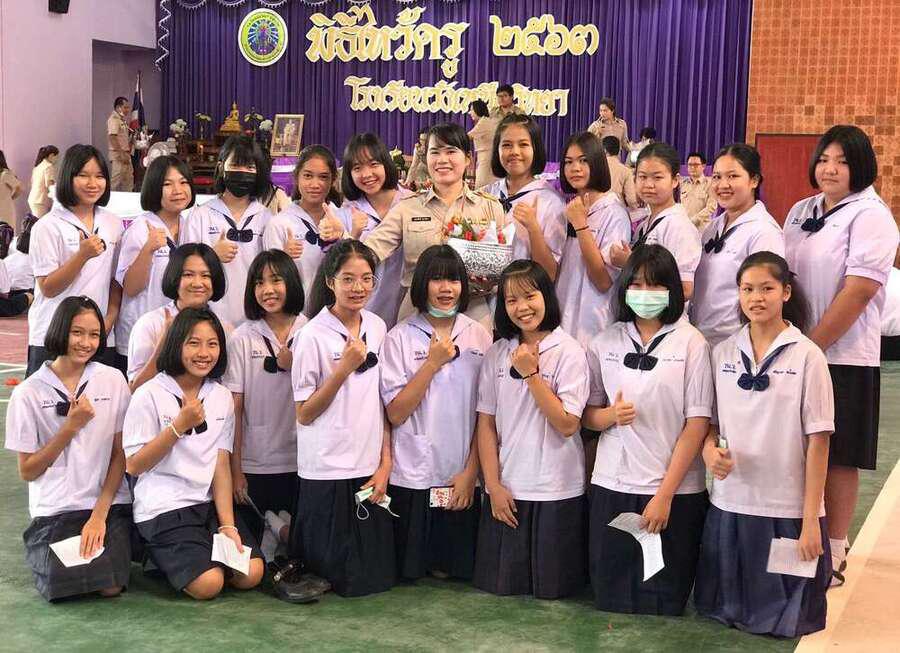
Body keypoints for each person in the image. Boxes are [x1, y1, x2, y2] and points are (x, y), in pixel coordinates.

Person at [783, 125, 899, 585]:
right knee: (795, 449)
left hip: (843, 357)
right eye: (824, 159)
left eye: (843, 161)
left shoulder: (872, 215)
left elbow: (859, 292)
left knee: (837, 453)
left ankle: (833, 552)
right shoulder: (801, 209)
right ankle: (798, 539)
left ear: (861, 167)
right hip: (794, 350)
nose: (830, 169)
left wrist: (811, 346)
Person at [695, 252, 833, 637]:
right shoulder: (722, 352)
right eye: (747, 289)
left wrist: (810, 521)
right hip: (732, 503)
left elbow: (819, 442)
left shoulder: (808, 356)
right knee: (725, 615)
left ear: (786, 292)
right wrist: (709, 452)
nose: (756, 298)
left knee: (787, 620)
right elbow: (711, 425)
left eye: (767, 289)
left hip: (786, 507)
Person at [583, 244, 712, 615]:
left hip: (673, 491)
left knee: (662, 602)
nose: (645, 293)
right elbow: (587, 415)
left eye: (655, 285)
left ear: (672, 290)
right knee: (611, 598)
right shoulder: (605, 342)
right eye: (637, 284)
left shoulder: (692, 343)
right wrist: (609, 416)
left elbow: (697, 424)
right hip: (613, 483)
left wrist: (664, 496)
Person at [124, 307, 264, 599]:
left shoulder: (220, 396)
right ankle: (159, 556)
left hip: (206, 504)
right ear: (177, 344)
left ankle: (199, 556)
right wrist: (177, 427)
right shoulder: (149, 393)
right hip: (163, 508)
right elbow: (134, 465)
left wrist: (228, 525)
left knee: (251, 573)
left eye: (212, 344)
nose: (204, 353)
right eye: (194, 343)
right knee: (209, 584)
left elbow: (221, 463)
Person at [474, 260, 589, 599]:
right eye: (511, 300)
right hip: (508, 490)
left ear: (546, 297)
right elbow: (486, 424)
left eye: (530, 296)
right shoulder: (497, 353)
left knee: (551, 596)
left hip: (556, 489)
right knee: (503, 594)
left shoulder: (569, 351)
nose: (522, 307)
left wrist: (531, 375)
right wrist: (493, 486)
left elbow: (568, 424)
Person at [5, 296, 132, 601]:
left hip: (105, 504)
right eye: (77, 332)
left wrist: (99, 516)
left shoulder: (113, 380)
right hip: (56, 508)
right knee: (61, 583)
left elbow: (120, 454)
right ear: (61, 330)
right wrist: (70, 427)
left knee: (110, 585)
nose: (85, 343)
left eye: (94, 335)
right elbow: (28, 470)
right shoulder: (28, 393)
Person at [291, 240, 396, 597]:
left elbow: (382, 400)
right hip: (326, 467)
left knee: (371, 581)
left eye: (366, 279)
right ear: (330, 282)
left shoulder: (377, 327)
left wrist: (385, 462)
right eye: (348, 279)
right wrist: (342, 370)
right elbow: (304, 413)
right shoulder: (311, 336)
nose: (358, 287)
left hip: (366, 464)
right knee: (328, 580)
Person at [381, 245, 490, 581]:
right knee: (412, 571)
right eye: (437, 280)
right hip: (413, 475)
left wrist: (471, 472)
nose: (446, 289)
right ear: (422, 284)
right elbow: (395, 413)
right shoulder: (399, 337)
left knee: (453, 571)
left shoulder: (478, 335)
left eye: (453, 280)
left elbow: (486, 415)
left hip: (461, 475)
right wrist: (431, 364)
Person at [350, 123, 506, 328]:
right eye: (435, 152)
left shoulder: (489, 207)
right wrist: (348, 243)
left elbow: (503, 267)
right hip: (418, 311)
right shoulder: (408, 208)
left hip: (472, 311)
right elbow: (370, 251)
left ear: (468, 158)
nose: (442, 160)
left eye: (451, 151)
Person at [223, 250, 306, 544]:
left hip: (303, 459)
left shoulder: (311, 332)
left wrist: (296, 365)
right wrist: (235, 469)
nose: (267, 290)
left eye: (276, 280)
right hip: (256, 461)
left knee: (298, 542)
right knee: (258, 546)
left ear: (292, 282)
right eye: (259, 282)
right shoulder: (242, 338)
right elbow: (234, 408)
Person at [26, 144, 122, 377]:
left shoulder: (113, 223)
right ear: (67, 177)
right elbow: (48, 287)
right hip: (53, 334)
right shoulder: (47, 226)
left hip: (97, 336)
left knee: (99, 398)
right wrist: (82, 256)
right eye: (83, 175)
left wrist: (108, 322)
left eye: (99, 176)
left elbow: (117, 280)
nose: (93, 183)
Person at [691, 144, 784, 347]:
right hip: (702, 338)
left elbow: (767, 296)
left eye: (733, 176)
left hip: (737, 343)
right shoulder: (713, 227)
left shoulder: (763, 231)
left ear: (754, 180)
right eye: (717, 177)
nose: (723, 184)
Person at [182, 135, 273, 326]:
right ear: (221, 167)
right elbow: (183, 268)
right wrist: (211, 256)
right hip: (209, 318)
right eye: (236, 166)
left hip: (255, 318)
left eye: (250, 167)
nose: (242, 173)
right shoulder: (201, 215)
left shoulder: (266, 217)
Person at [115, 155, 195, 373]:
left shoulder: (191, 226)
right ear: (153, 188)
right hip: (142, 337)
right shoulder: (140, 229)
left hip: (177, 335)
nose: (178, 190)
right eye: (167, 184)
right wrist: (148, 249)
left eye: (183, 182)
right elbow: (130, 288)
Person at [555, 132, 631, 347]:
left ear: (597, 163)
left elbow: (603, 281)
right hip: (562, 315)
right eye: (568, 162)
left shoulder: (613, 212)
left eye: (583, 161)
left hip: (592, 324)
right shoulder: (569, 208)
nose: (575, 168)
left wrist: (581, 225)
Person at [127, 243, 227, 390]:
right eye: (188, 275)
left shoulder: (223, 327)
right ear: (174, 277)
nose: (197, 283)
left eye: (206, 275)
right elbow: (134, 388)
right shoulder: (151, 324)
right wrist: (165, 343)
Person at [610, 143, 701, 302]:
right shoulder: (645, 224)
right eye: (642, 177)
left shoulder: (679, 226)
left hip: (665, 315)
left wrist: (631, 264)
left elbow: (685, 289)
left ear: (675, 180)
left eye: (657, 177)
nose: (648, 185)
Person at [339, 133, 413, 329]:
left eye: (373, 164)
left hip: (410, 311)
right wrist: (353, 234)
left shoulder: (413, 203)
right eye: (357, 168)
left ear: (386, 164)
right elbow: (340, 266)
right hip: (365, 314)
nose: (367, 174)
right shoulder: (347, 212)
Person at [263, 145, 346, 317]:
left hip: (337, 317)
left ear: (333, 180)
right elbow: (269, 278)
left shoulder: (343, 218)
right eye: (308, 176)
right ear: (296, 176)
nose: (315, 184)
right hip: (293, 318)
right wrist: (283, 258)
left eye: (323, 177)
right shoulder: (280, 223)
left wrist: (344, 236)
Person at [482, 114, 566, 282]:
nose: (514, 152)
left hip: (526, 295)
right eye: (506, 145)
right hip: (484, 295)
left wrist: (533, 229)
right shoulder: (486, 195)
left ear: (535, 149)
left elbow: (550, 273)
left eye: (523, 144)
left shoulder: (551, 201)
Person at [680, 151, 717, 230]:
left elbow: (711, 207)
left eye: (696, 165)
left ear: (703, 166)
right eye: (690, 165)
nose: (692, 167)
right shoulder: (682, 184)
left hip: (701, 228)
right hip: (683, 227)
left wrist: (693, 221)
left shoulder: (710, 184)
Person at [467, 100, 499, 189]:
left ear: (478, 110)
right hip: (487, 156)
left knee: (481, 186)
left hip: (487, 157)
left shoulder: (484, 122)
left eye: (472, 110)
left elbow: (468, 137)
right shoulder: (486, 121)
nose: (470, 113)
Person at [601, 137, 638, 209]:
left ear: (604, 150)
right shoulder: (625, 171)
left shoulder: (595, 168)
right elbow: (631, 200)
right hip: (618, 209)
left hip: (598, 210)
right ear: (619, 151)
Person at [107, 97, 133, 192]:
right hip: (119, 155)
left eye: (128, 107)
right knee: (115, 182)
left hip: (126, 154)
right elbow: (112, 137)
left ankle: (128, 200)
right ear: (118, 108)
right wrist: (121, 153)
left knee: (129, 181)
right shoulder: (114, 119)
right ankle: (108, 200)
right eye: (125, 107)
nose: (128, 110)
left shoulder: (122, 120)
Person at [28, 146, 59, 218]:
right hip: (41, 200)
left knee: (36, 221)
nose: (57, 160)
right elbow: (49, 185)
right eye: (57, 157)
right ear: (51, 155)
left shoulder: (38, 166)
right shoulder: (49, 166)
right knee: (40, 222)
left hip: (34, 199)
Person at [0, 149, 23, 224]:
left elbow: (19, 188)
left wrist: (11, 198)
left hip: (4, 211)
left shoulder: (5, 174)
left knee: (5, 230)